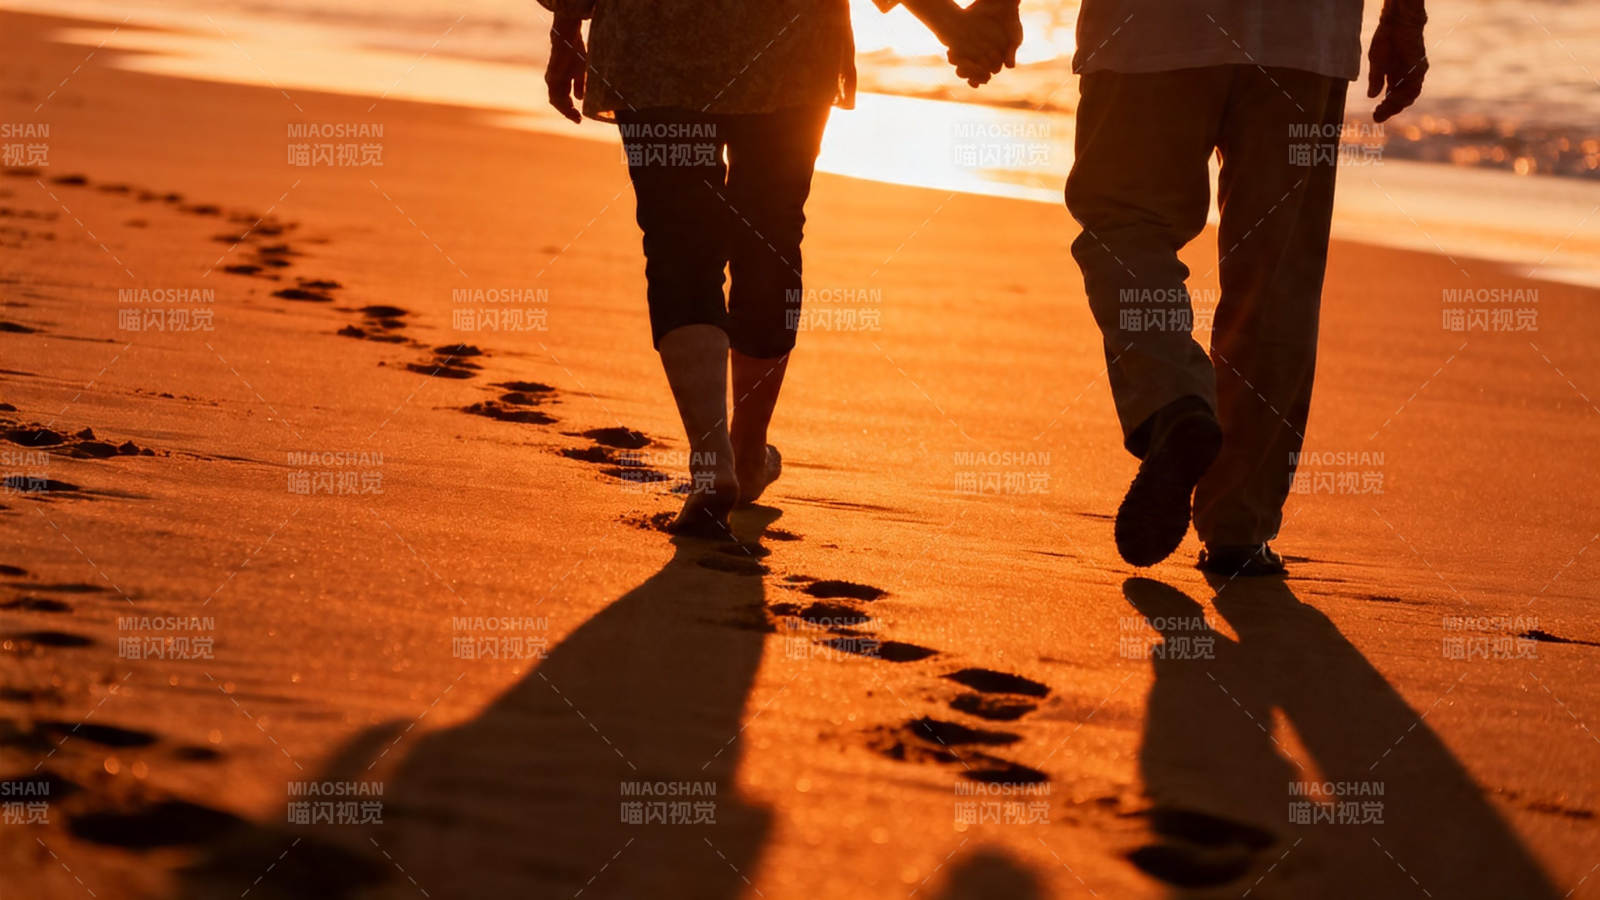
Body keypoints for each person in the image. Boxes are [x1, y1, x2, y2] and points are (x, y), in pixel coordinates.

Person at [541, 0, 1024, 537]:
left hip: (655, 39)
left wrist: (567, 20)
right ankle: (748, 453)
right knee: (769, 237)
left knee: (679, 243)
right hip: (791, 40)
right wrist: (952, 24)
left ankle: (712, 463)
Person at [1064, 0, 1428, 575]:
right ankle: (1239, 526)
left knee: (1126, 225)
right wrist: (1406, 17)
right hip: (1304, 36)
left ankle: (1173, 398)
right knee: (1275, 274)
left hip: (1148, 29)